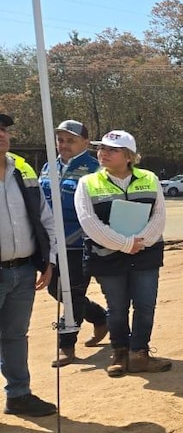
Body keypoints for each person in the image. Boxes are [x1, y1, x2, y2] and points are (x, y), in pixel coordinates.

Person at [75, 130, 171, 377]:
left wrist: (142, 242)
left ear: (129, 156)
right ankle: (119, 352)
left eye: (111, 150)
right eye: (102, 149)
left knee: (145, 305)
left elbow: (159, 216)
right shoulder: (88, 183)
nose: (103, 153)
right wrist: (125, 244)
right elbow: (89, 223)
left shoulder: (149, 179)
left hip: (145, 254)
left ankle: (139, 354)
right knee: (116, 308)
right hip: (108, 256)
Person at [0, 113, 59, 417]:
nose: (0, 134)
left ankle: (19, 395)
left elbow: (44, 218)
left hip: (23, 271)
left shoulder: (22, 171)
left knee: (15, 336)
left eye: (3, 129)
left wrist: (48, 261)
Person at [40, 120, 109, 367]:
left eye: (70, 140)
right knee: (54, 289)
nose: (64, 145)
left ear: (85, 143)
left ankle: (66, 346)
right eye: (60, 140)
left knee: (72, 293)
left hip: (79, 245)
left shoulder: (95, 170)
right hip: (51, 245)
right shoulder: (49, 166)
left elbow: (99, 210)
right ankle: (100, 317)